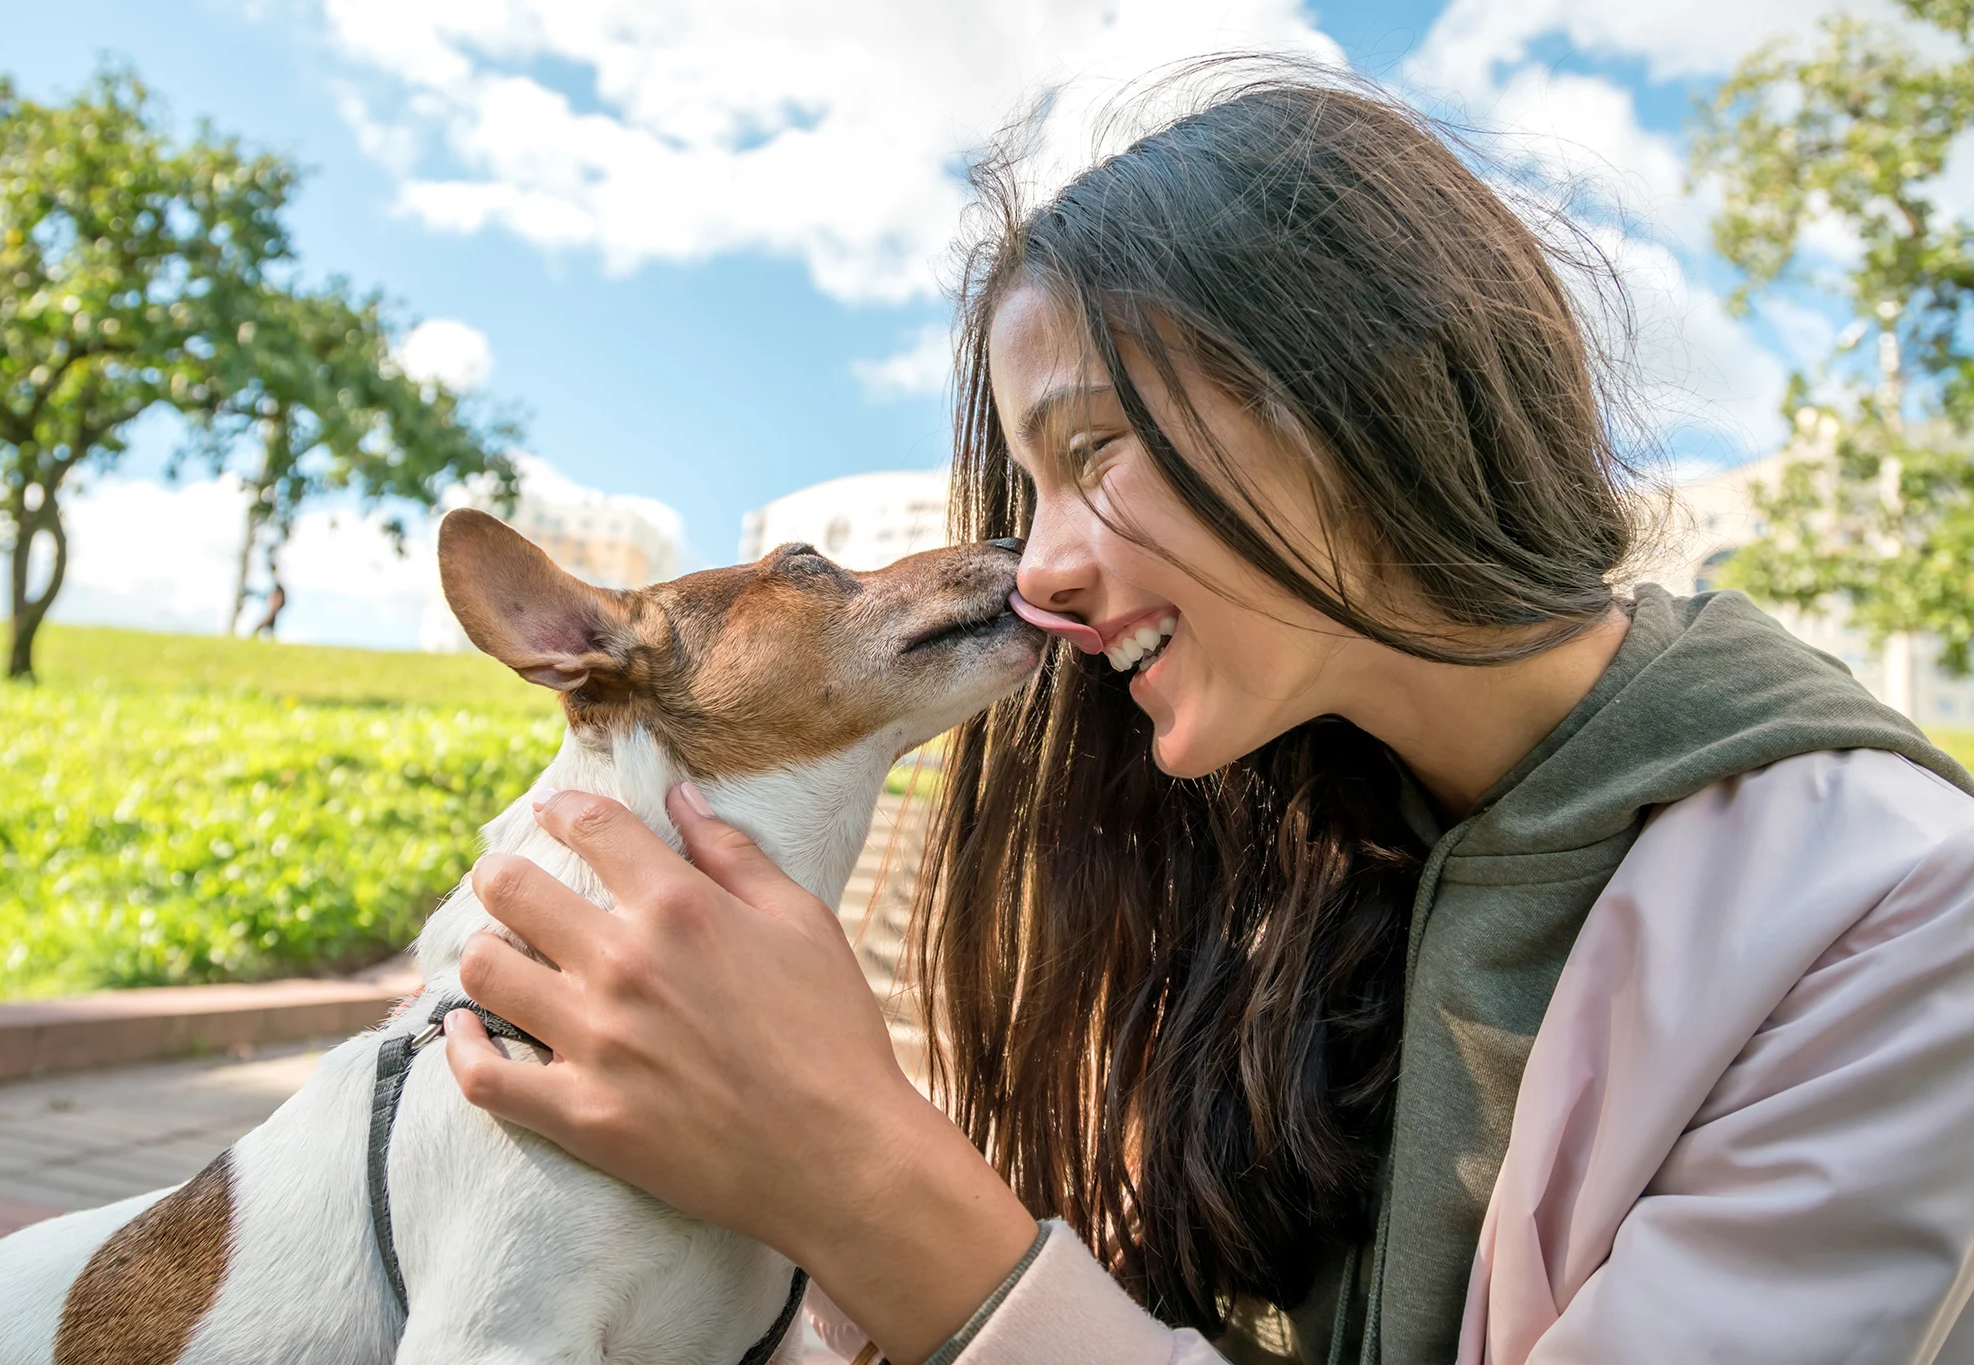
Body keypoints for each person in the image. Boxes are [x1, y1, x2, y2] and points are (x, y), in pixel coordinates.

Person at [437, 62, 1974, 1365]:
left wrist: (858, 1175)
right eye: (1026, 489)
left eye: (1094, 449)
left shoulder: (1905, 924)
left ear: (1372, 374)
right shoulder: (1269, 861)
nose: (1035, 567)